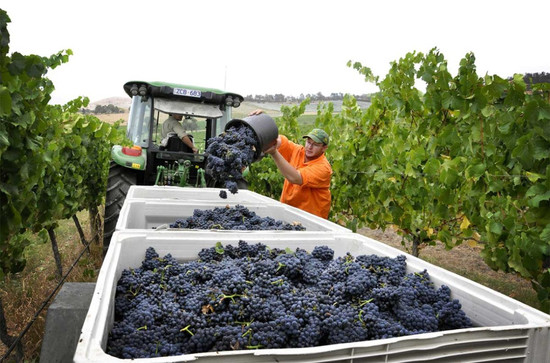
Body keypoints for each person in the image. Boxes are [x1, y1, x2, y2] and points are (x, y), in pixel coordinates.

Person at [250, 110, 332, 219]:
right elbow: (277, 140)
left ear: (324, 148)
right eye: (308, 142)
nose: (309, 147)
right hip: (288, 212)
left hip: (311, 219)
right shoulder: (298, 151)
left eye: (315, 145)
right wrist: (263, 121)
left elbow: (295, 178)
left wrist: (274, 152)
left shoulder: (323, 168)